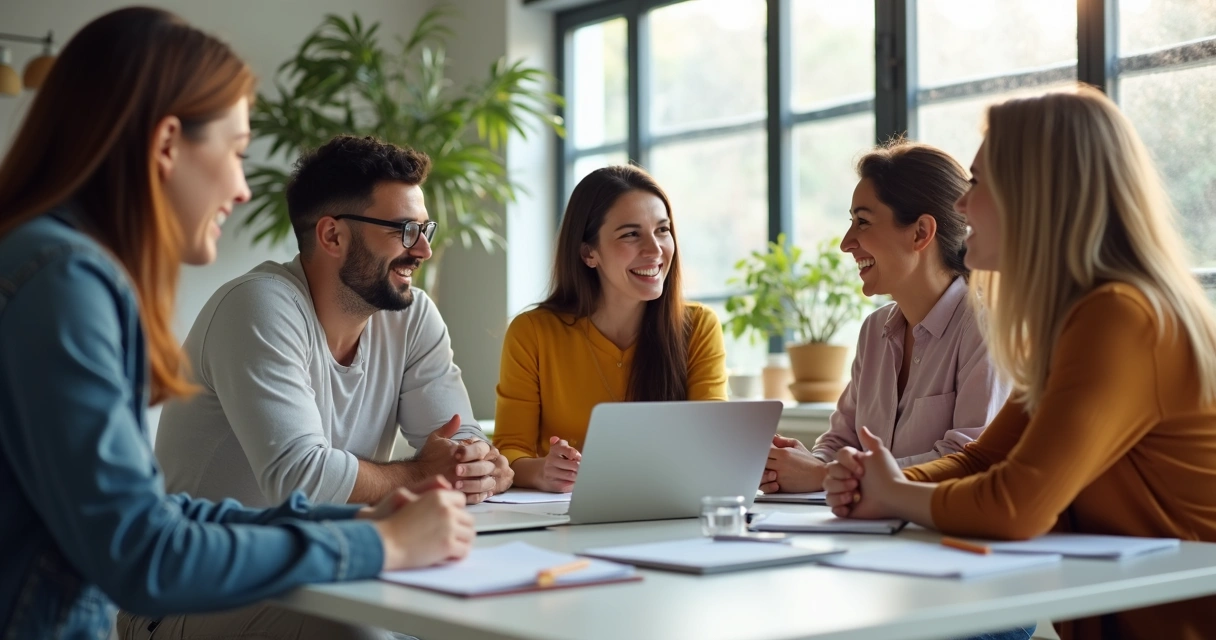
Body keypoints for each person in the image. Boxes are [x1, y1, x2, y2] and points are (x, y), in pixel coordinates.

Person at [0, 8, 472, 640]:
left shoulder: (56, 268)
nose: (244, 188)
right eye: (236, 152)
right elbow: (142, 552)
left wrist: (355, 529)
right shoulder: (63, 281)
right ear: (167, 145)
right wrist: (377, 547)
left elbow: (152, 514)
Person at [823, 86, 1216, 639]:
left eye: (978, 184)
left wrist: (894, 494)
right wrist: (876, 481)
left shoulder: (1121, 317)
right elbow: (986, 458)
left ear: (1038, 195)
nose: (960, 206)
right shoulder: (1078, 321)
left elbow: (1017, 506)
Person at [154, 134, 513, 511]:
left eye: (425, 230)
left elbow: (461, 446)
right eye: (404, 230)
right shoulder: (257, 307)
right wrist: (426, 472)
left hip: (333, 554)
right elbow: (300, 480)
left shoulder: (412, 316)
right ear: (332, 235)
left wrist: (479, 465)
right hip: (214, 560)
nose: (423, 250)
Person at [761, 140, 1009, 494]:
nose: (846, 242)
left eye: (863, 222)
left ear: (921, 233)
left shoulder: (985, 326)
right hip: (875, 534)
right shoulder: (874, 330)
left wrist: (822, 477)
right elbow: (840, 442)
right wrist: (802, 464)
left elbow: (966, 460)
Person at [493, 165, 728, 492]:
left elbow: (713, 442)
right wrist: (542, 471)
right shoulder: (532, 332)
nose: (655, 249)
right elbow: (509, 449)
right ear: (589, 253)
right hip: (563, 517)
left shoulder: (699, 326)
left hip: (672, 511)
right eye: (631, 234)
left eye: (662, 230)